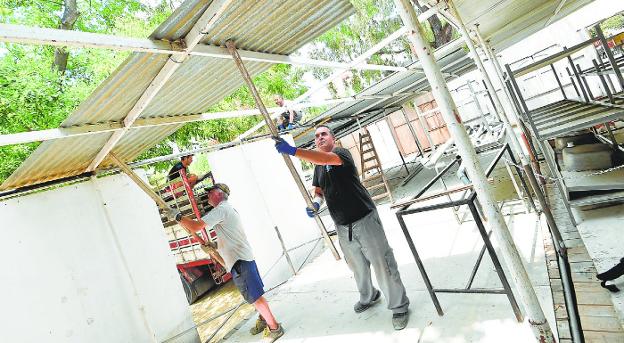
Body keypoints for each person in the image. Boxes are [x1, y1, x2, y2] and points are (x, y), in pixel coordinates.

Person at [273, 126, 410, 330]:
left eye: (324, 134)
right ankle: (369, 296)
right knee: (357, 267)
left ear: (333, 138)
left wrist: (293, 151)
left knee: (382, 263)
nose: (319, 138)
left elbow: (327, 159)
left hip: (364, 219)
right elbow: (318, 190)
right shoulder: (317, 166)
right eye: (317, 136)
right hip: (342, 225)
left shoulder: (340, 153)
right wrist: (316, 203)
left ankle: (399, 307)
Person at [171, 183, 285, 342]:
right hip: (242, 258)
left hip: (239, 261)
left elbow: (196, 227)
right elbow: (230, 237)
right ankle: (264, 320)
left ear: (218, 193)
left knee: (255, 297)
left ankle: (274, 328)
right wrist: (213, 246)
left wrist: (178, 217)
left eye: (210, 192)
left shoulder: (221, 210)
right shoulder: (228, 210)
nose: (208, 196)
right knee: (253, 294)